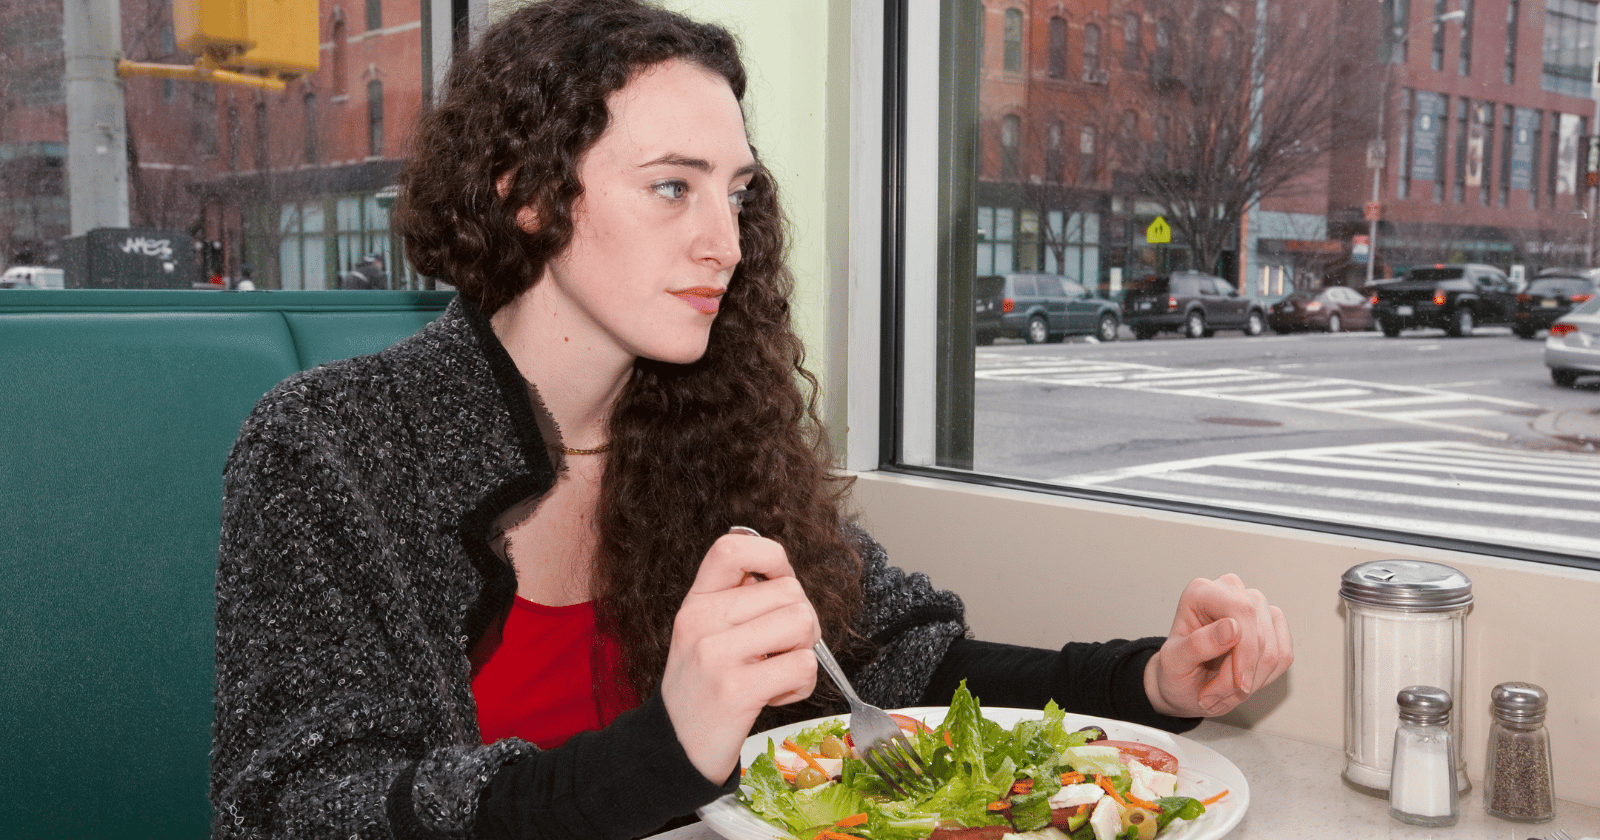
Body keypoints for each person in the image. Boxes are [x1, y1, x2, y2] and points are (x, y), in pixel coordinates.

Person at [209, 1, 1292, 838]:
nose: (724, 243)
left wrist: (1142, 682)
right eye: (672, 188)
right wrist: (666, 749)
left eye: (736, 192)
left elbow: (891, 664)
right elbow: (303, 809)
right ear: (526, 195)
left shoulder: (704, 427)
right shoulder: (330, 445)